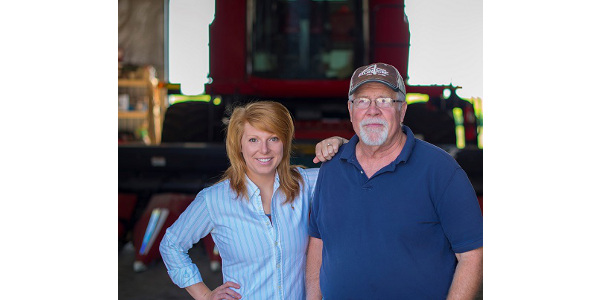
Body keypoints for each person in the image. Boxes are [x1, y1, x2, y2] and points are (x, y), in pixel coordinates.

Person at [306, 63, 483, 299]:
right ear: (350, 110)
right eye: (362, 101)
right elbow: (318, 242)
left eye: (384, 101)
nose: (372, 110)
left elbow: (472, 255)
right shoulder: (331, 167)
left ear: (402, 110)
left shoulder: (440, 170)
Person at [159, 101, 344, 300]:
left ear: (285, 142)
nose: (264, 150)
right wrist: (204, 295)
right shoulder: (214, 200)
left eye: (273, 138)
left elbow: (356, 168)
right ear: (239, 144)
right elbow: (171, 245)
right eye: (253, 140)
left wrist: (340, 143)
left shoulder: (304, 184)